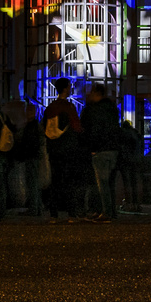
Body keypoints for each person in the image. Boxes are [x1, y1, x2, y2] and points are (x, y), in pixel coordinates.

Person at [42, 77, 86, 222]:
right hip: (68, 149)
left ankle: (53, 214)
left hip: (53, 148)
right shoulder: (69, 107)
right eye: (69, 86)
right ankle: (71, 214)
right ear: (66, 88)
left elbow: (44, 128)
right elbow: (77, 127)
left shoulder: (50, 108)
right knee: (69, 182)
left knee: (55, 181)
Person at [81, 83, 120, 221]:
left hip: (100, 150)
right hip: (113, 149)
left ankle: (106, 212)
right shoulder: (111, 108)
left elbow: (94, 130)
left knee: (101, 183)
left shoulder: (94, 110)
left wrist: (92, 148)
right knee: (109, 183)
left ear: (96, 93)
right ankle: (110, 211)